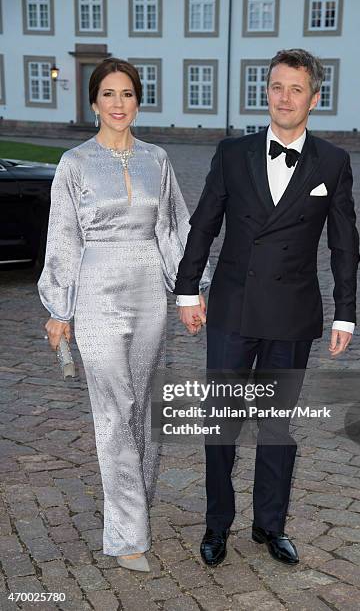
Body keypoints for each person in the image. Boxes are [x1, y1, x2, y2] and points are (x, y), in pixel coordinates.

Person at [174, 49, 360, 567]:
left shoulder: (333, 162)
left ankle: (269, 525)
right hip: (233, 309)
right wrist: (188, 289)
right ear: (267, 92)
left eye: (296, 89)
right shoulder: (233, 153)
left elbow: (344, 243)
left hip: (292, 315)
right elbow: (204, 223)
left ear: (314, 98)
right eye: (276, 86)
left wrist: (345, 311)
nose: (284, 97)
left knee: (277, 426)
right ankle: (217, 525)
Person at [38, 58, 209, 572]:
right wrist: (59, 309)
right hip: (95, 293)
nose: (118, 103)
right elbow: (63, 239)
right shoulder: (73, 163)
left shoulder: (157, 159)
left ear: (138, 101)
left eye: (127, 94)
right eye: (108, 94)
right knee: (113, 409)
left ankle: (135, 501)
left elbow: (176, 229)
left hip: (148, 295)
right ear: (94, 103)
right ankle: (127, 531)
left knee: (141, 406)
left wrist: (190, 292)